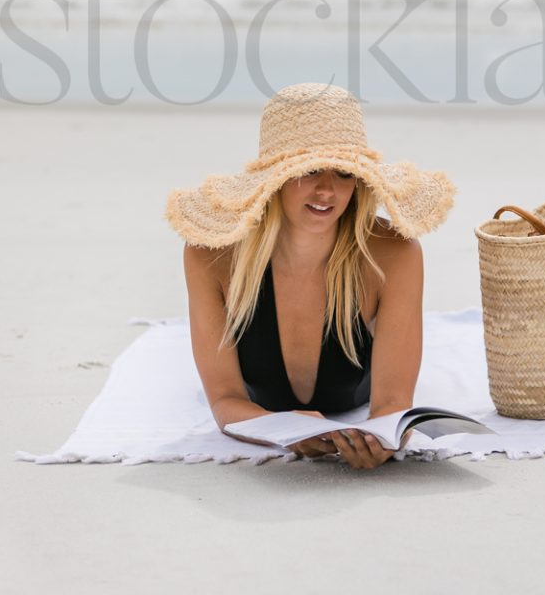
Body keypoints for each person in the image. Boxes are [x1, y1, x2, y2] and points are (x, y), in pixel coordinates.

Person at [166, 82, 455, 471]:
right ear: (276, 179)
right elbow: (224, 399)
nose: (327, 190)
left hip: (355, 401)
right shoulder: (211, 255)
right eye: (310, 170)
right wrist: (281, 426)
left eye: (344, 173)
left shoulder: (393, 254)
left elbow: (391, 405)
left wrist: (382, 440)